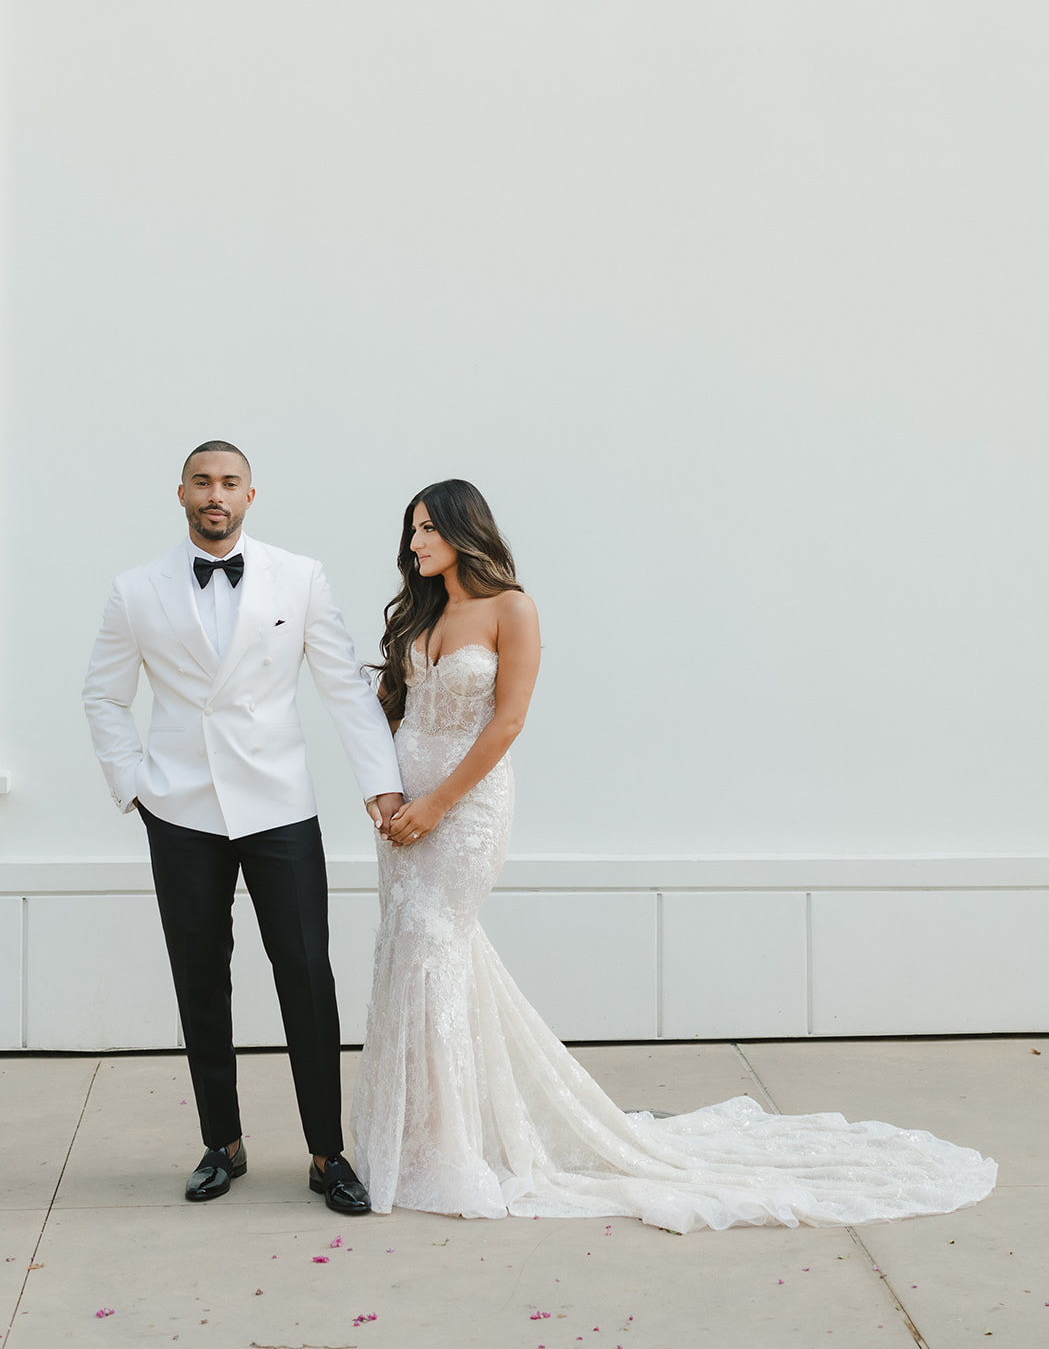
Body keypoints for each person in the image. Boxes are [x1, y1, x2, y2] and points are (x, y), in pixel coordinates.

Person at [351, 479, 997, 1231]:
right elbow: (388, 709)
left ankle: (456, 1150)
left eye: (428, 529)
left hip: (463, 809)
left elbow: (509, 721)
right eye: (412, 531)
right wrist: (383, 792)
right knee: (408, 950)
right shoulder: (420, 613)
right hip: (401, 813)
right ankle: (421, 1135)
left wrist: (436, 803)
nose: (415, 543)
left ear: (466, 531)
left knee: (436, 943)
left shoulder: (510, 608)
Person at [83, 440, 403, 1214]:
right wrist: (136, 788)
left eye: (229, 483)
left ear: (251, 496)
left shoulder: (300, 576)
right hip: (182, 810)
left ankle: (328, 1153)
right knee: (199, 977)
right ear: (182, 493)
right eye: (202, 482)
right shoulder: (135, 590)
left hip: (279, 807)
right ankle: (220, 1143)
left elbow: (341, 686)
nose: (214, 494)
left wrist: (382, 786)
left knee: (306, 974)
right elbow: (103, 695)